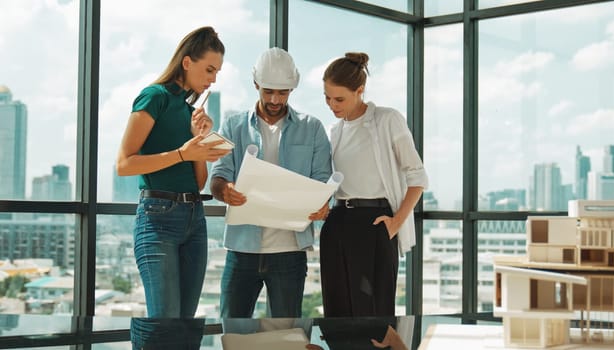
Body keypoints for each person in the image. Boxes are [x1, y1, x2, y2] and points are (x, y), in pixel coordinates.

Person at [116, 26, 230, 318]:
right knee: (164, 325)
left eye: (217, 72)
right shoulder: (154, 97)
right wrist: (182, 153)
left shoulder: (189, 111)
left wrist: (200, 141)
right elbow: (124, 164)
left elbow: (200, 182)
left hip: (195, 219)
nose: (213, 79)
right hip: (158, 220)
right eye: (208, 69)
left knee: (184, 325)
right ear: (187, 62)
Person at [210, 47, 332, 318]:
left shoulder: (312, 128)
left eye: (283, 92)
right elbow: (217, 176)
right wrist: (224, 190)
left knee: (287, 336)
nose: (276, 99)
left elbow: (323, 179)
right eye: (268, 91)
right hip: (242, 251)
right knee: (233, 334)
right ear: (256, 84)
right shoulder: (233, 126)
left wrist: (324, 203)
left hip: (289, 253)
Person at [320, 52, 428, 317]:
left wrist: (396, 222)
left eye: (339, 99)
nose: (332, 105)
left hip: (375, 223)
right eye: (327, 97)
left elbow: (417, 176)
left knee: (374, 312)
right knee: (337, 310)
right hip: (338, 223)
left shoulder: (387, 119)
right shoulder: (336, 130)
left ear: (360, 90)